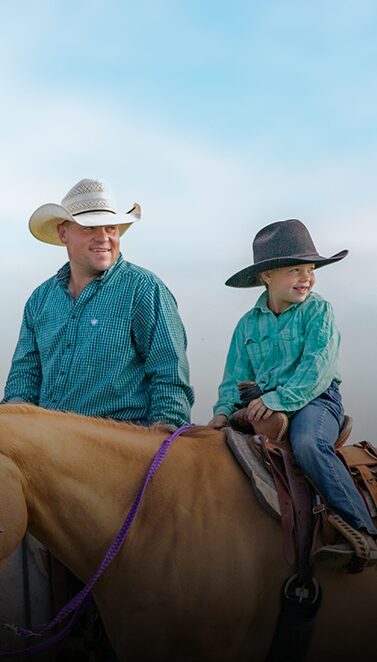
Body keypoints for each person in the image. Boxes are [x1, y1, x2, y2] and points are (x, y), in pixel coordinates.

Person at [208, 218, 377, 566]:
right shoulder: (247, 325)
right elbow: (234, 377)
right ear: (266, 276)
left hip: (316, 400)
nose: (307, 278)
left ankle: (364, 530)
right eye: (296, 269)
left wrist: (275, 400)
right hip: (264, 403)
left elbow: (317, 369)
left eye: (311, 268)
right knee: (215, 450)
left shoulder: (319, 311)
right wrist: (224, 412)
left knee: (307, 444)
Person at [3, 177, 194, 427]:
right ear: (63, 233)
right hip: (50, 443)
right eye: (90, 228)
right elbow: (25, 374)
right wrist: (15, 414)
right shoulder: (40, 300)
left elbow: (169, 373)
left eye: (110, 228)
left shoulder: (144, 289)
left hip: (121, 444)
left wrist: (165, 434)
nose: (103, 237)